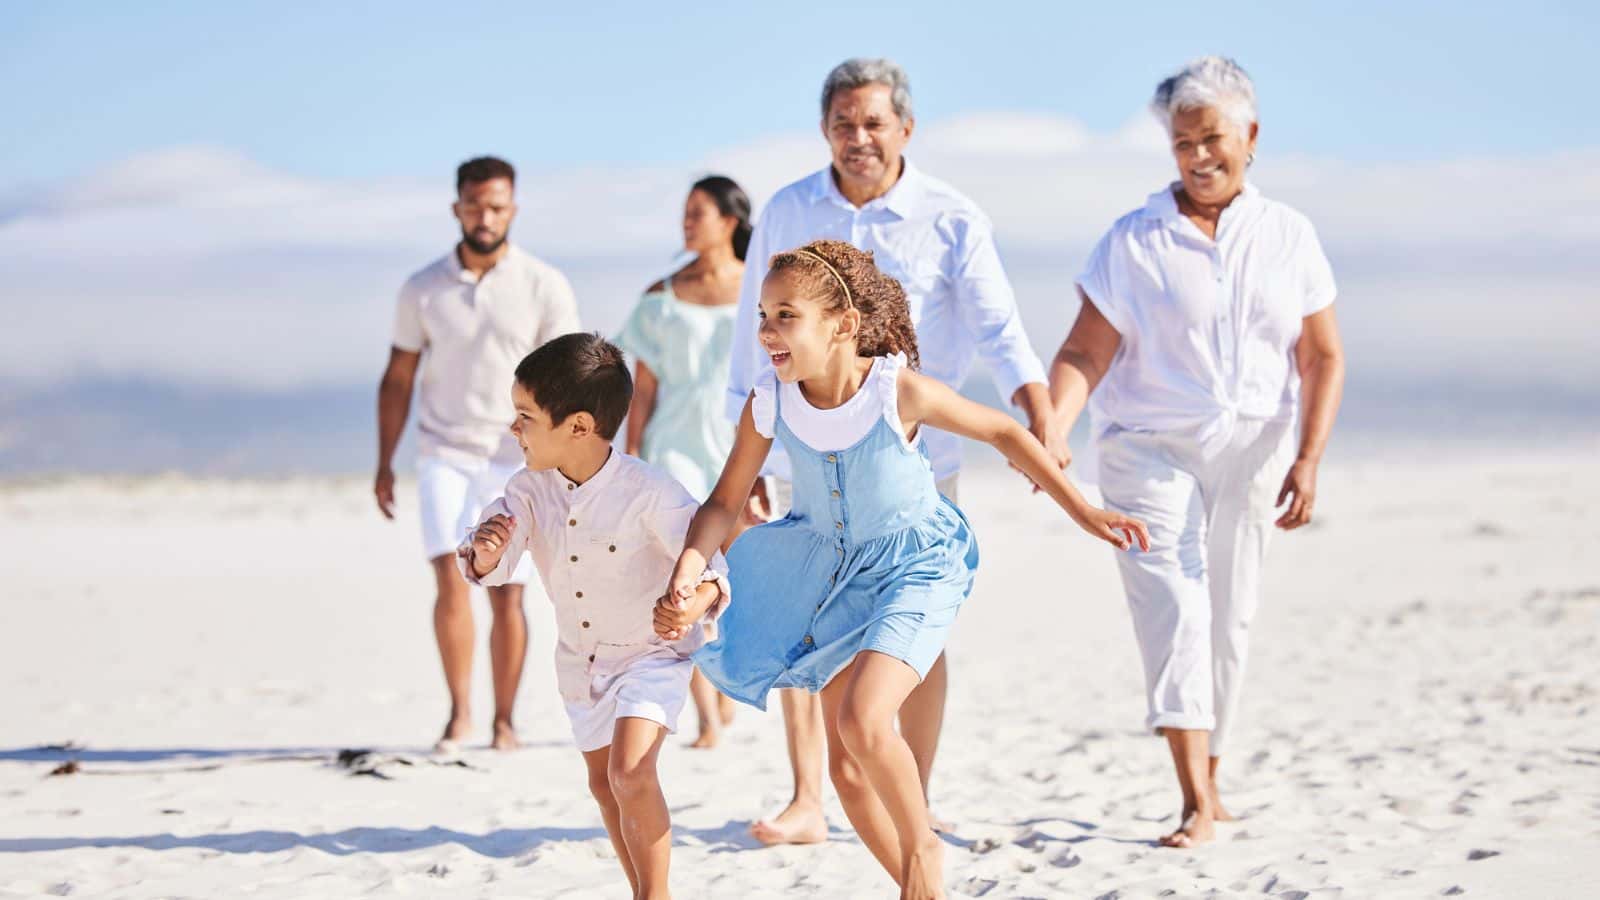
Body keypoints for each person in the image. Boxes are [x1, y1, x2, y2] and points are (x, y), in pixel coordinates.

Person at [663, 240, 1148, 898]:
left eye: (785, 315)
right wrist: (689, 570)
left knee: (863, 722)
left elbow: (1004, 433)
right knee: (849, 773)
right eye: (762, 315)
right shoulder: (769, 401)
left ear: (842, 325)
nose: (767, 331)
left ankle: (923, 849)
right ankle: (922, 890)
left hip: (916, 565)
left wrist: (1084, 510)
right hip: (831, 581)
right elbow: (723, 503)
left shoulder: (896, 391)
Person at [725, 56, 1063, 844]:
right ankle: (810, 799)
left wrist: (1040, 421)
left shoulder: (950, 216)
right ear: (824, 130)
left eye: (873, 122)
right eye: (843, 123)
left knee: (912, 629)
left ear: (905, 129)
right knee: (810, 621)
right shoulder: (787, 208)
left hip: (917, 463)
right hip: (807, 455)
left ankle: (915, 787)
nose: (858, 138)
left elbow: (999, 330)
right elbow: (755, 330)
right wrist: (749, 455)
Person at [1048, 56, 1347, 848]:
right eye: (1183, 144)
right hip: (1147, 450)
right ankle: (1193, 802)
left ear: (1250, 136)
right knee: (1176, 608)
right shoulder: (1135, 239)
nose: (1199, 157)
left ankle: (1211, 774)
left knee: (1230, 616)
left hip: (1253, 450)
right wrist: (1052, 428)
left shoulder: (1289, 236)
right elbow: (1085, 353)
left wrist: (1309, 457)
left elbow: (1320, 356)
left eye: (1212, 138)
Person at [460, 333, 729, 900]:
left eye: (525, 416)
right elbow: (497, 558)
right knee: (606, 786)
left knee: (631, 773)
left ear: (578, 426)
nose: (514, 429)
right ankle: (640, 891)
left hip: (650, 657)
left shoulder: (649, 489)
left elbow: (708, 563)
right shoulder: (527, 490)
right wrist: (485, 551)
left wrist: (691, 605)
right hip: (579, 666)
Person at [374, 156, 581, 754]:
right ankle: (460, 714)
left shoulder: (544, 284)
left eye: (496, 206)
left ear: (512, 209)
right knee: (448, 575)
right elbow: (397, 377)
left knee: (508, 587)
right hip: (444, 449)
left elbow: (570, 373)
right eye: (474, 206)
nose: (485, 217)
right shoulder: (423, 288)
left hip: (514, 455)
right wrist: (385, 460)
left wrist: (566, 460)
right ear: (456, 208)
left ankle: (504, 722)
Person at [617, 176, 756, 748]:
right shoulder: (661, 297)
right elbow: (642, 389)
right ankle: (704, 713)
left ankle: (726, 685)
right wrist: (629, 455)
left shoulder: (759, 290)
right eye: (685, 214)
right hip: (672, 444)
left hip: (737, 440)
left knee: (739, 572)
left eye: (698, 213)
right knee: (684, 569)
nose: (687, 223)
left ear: (729, 221)